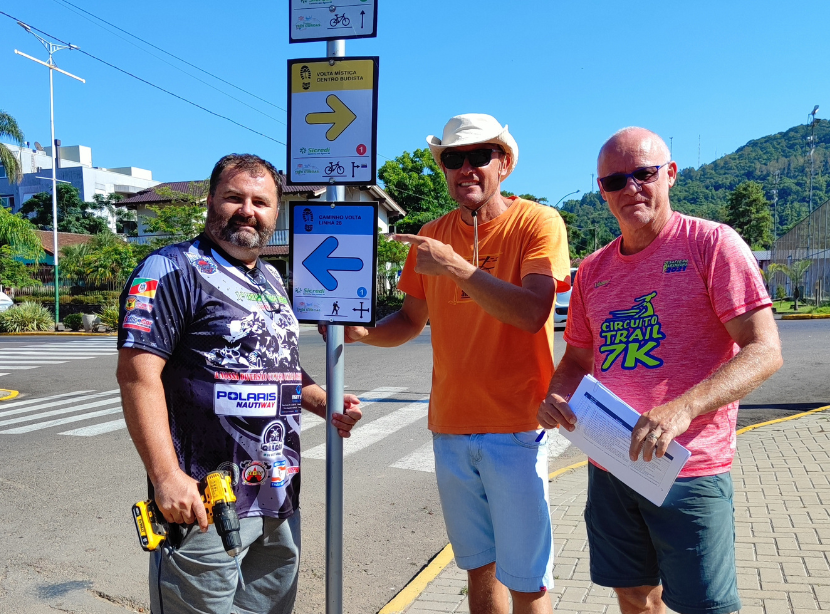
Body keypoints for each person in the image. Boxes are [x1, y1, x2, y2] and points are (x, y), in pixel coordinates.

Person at [538, 127, 782, 614]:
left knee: (704, 606)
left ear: (669, 174)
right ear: (602, 191)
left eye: (643, 174)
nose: (630, 189)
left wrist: (682, 408)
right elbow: (580, 359)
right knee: (632, 594)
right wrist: (557, 395)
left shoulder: (711, 244)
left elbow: (764, 349)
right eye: (614, 182)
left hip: (688, 468)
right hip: (610, 464)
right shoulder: (593, 270)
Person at [334, 113, 570, 613]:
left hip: (517, 427)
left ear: (503, 164)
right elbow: (411, 320)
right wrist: (364, 334)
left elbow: (532, 313)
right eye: (453, 159)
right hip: (450, 427)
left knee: (528, 580)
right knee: (477, 568)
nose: (465, 168)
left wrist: (456, 266)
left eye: (478, 156)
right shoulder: (431, 234)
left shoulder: (537, 222)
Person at [116, 153, 362, 614]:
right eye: (234, 197)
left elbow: (277, 365)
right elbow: (137, 374)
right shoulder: (170, 269)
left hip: (277, 490)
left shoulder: (271, 278)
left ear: (275, 211)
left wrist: (321, 399)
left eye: (261, 201)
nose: (248, 210)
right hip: (205, 502)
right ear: (210, 201)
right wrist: (166, 477)